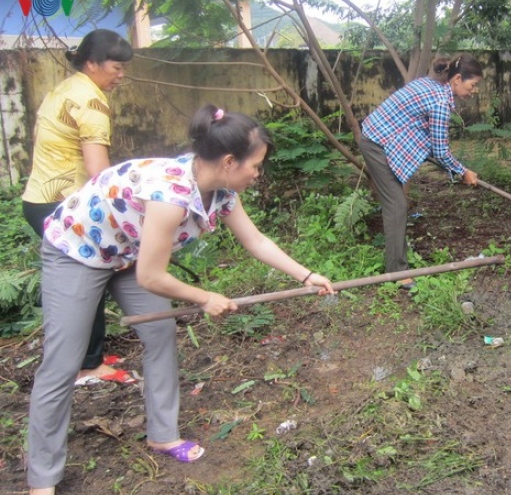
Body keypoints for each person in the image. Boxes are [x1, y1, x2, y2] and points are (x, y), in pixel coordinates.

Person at [27, 104, 335, 495]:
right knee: (63, 361)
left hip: (129, 254)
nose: (258, 174)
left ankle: (163, 435)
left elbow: (255, 241)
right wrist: (205, 297)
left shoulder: (220, 191)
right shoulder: (169, 193)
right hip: (77, 250)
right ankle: (42, 480)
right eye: (255, 166)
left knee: (160, 335)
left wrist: (306, 275)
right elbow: (152, 276)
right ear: (228, 161)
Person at [21, 29, 134, 386]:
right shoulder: (92, 102)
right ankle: (87, 365)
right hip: (63, 205)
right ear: (92, 63)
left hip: (42, 199)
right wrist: (122, 223)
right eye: (116, 67)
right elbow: (100, 177)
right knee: (89, 276)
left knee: (90, 276)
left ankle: (89, 355)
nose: (121, 75)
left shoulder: (67, 88)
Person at [359, 54, 482, 290]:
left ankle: (398, 258)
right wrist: (463, 171)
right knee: (397, 205)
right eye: (472, 84)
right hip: (376, 144)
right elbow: (441, 151)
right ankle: (396, 272)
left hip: (381, 140)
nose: (473, 90)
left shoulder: (430, 85)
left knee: (398, 204)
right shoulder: (439, 102)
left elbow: (414, 125)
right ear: (457, 79)